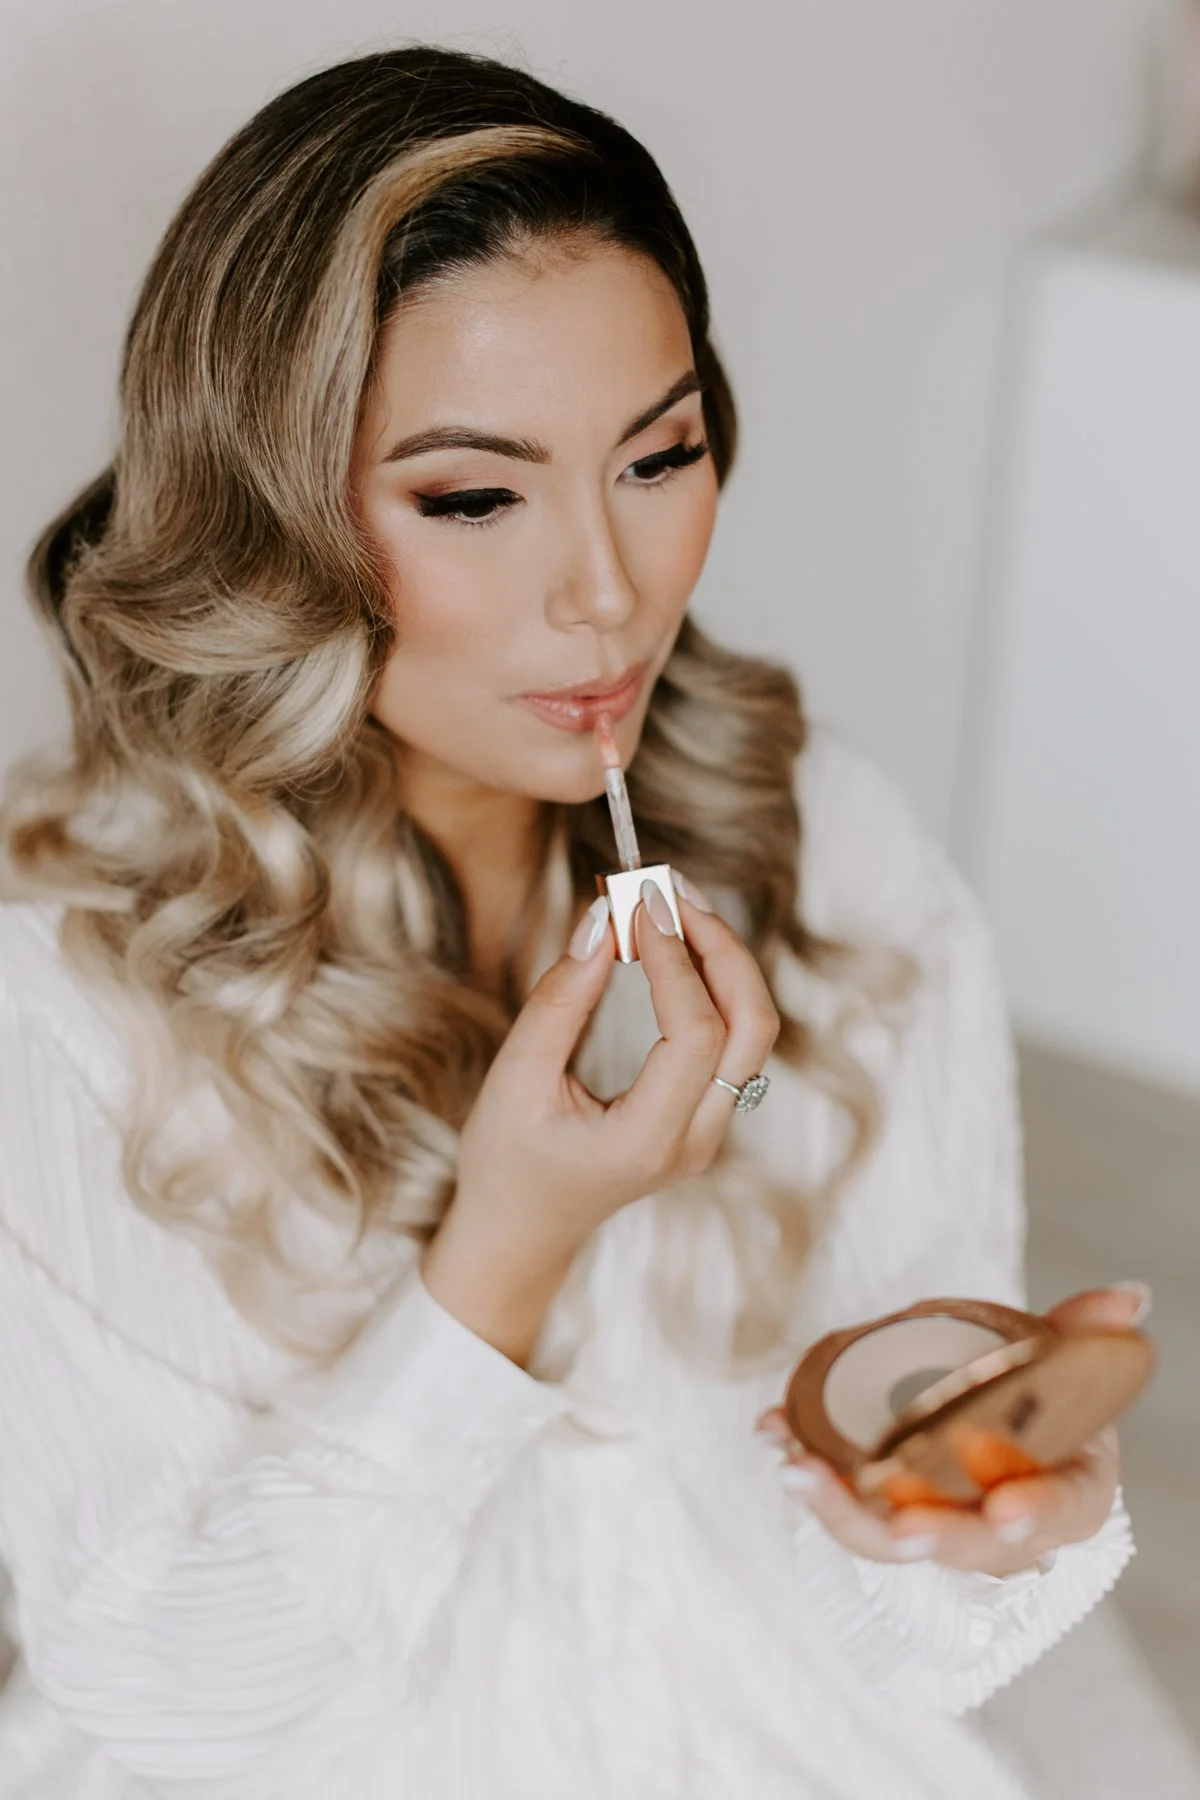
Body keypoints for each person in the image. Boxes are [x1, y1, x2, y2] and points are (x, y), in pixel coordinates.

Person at [0, 43, 1144, 1800]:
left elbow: (911, 1640)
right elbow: (185, 1713)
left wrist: (981, 1512)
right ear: (264, 516)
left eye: (658, 456)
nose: (609, 592)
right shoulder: (61, 991)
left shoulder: (826, 848)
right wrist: (507, 1254)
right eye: (474, 496)